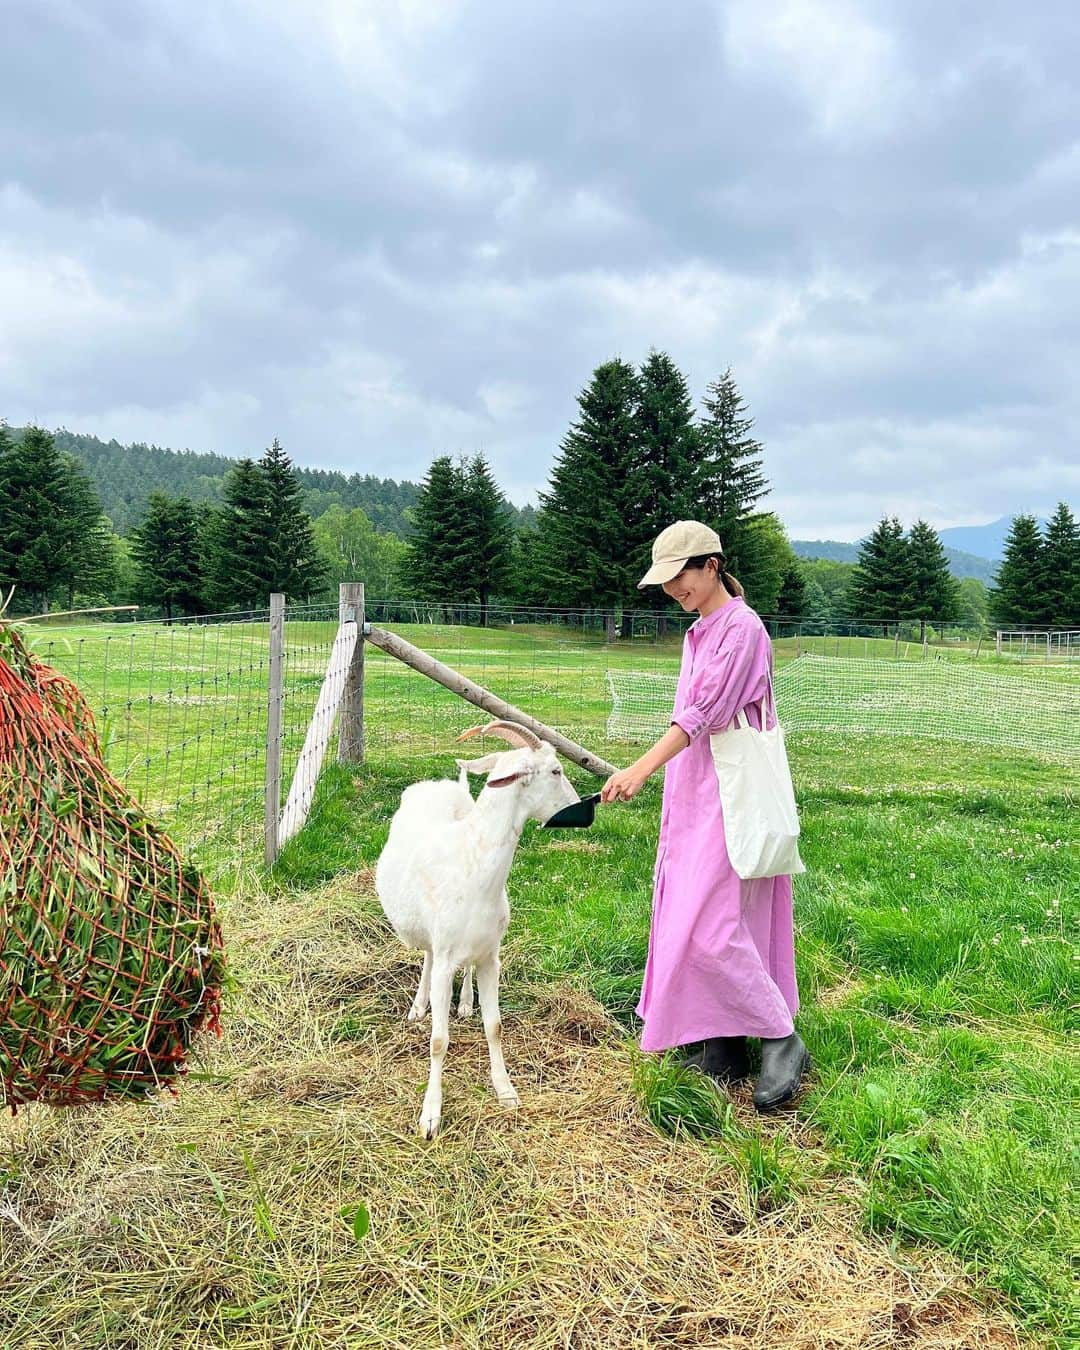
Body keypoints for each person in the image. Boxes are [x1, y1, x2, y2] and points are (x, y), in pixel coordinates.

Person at [600, 520, 808, 1111]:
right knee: (687, 910)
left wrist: (638, 769)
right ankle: (722, 1046)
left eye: (679, 576)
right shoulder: (702, 630)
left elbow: (703, 714)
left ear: (711, 565)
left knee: (709, 924)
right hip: (694, 796)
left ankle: (780, 1036)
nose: (672, 590)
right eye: (664, 581)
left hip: (727, 798)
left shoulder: (742, 630)